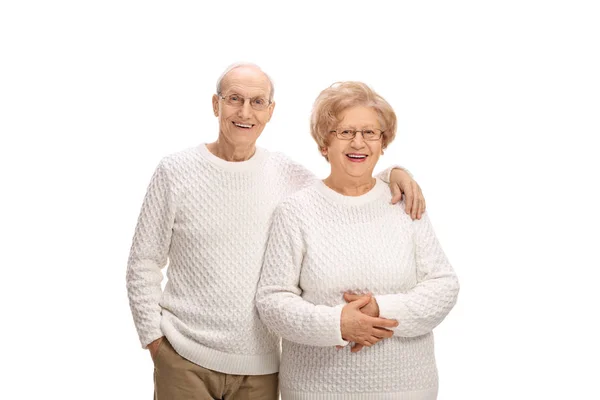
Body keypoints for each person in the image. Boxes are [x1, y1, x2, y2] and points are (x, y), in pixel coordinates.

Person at [126, 64, 426, 400]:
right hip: (184, 357)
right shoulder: (174, 171)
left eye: (257, 102)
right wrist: (154, 341)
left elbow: (344, 181)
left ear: (270, 111)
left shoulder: (288, 175)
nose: (245, 112)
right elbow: (143, 262)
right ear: (216, 105)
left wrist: (393, 174)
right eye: (234, 99)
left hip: (262, 367)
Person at [256, 81, 459, 399]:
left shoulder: (404, 202)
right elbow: (272, 302)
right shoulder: (295, 212)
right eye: (346, 132)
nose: (359, 143)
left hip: (406, 387)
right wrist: (337, 324)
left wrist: (382, 310)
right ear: (325, 143)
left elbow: (444, 286)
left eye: (370, 133)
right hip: (317, 390)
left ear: (382, 143)